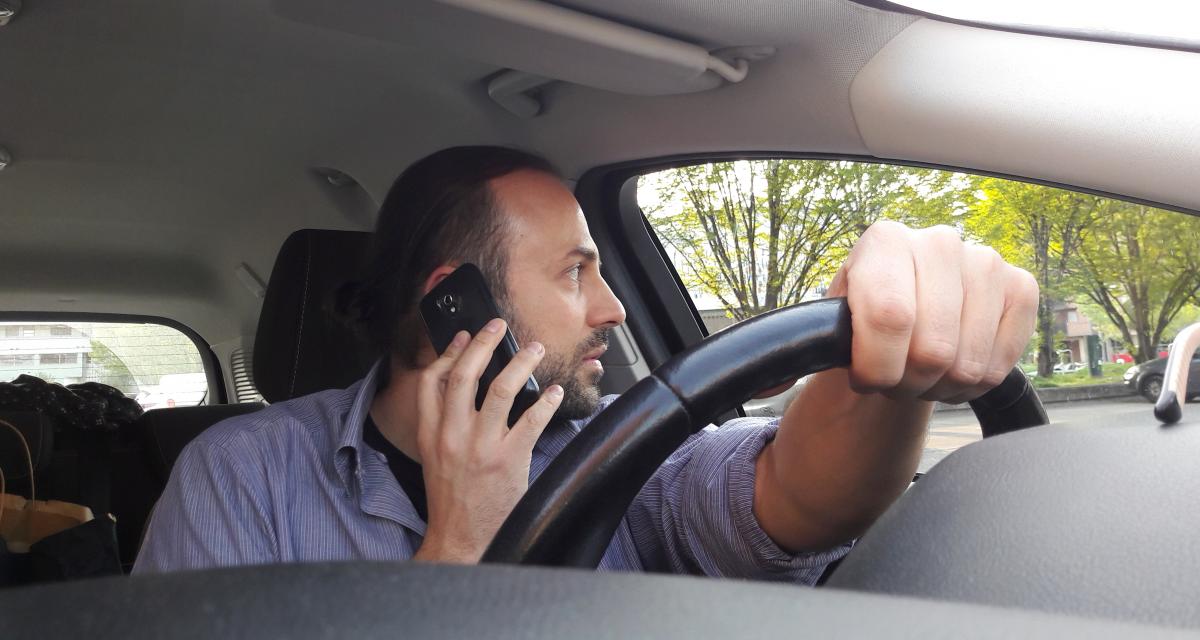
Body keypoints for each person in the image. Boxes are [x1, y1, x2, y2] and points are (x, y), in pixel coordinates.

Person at [135, 147, 1038, 582]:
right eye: (576, 273)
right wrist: (455, 546)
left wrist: (895, 338)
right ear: (460, 303)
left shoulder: (615, 451)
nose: (610, 308)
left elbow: (796, 498)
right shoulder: (241, 474)